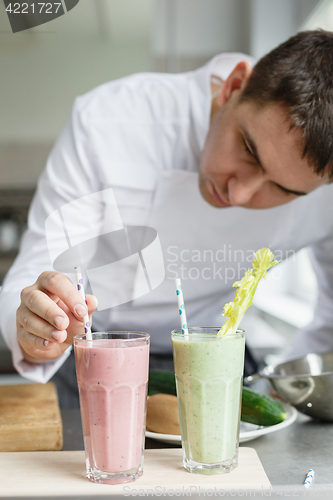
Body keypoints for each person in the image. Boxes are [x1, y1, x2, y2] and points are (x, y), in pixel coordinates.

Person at [1, 30, 333, 408]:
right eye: (249, 150)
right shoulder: (110, 120)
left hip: (218, 367)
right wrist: (42, 327)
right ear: (233, 86)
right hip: (94, 357)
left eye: (284, 191)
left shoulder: (327, 196)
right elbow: (38, 270)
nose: (239, 194)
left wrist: (293, 387)